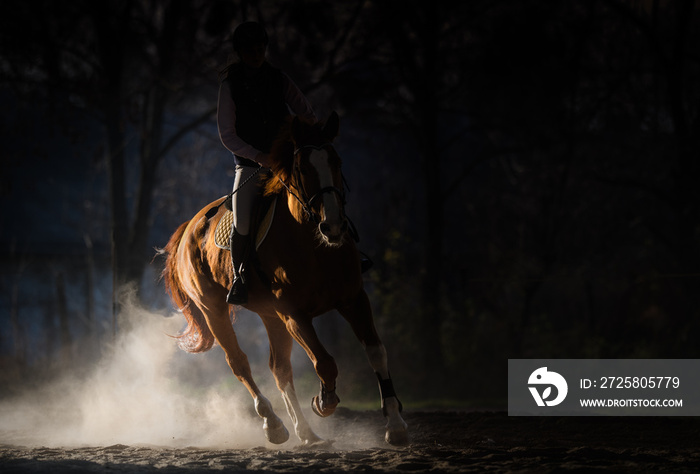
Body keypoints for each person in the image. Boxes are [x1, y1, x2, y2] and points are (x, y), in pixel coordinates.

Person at [217, 21, 317, 305]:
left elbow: (306, 113)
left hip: (287, 161)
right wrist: (259, 157)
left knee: (322, 193)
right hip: (251, 167)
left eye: (260, 48)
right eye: (250, 49)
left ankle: (348, 255)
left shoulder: (279, 78)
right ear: (240, 52)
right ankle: (239, 277)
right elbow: (227, 135)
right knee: (243, 222)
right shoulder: (230, 86)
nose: (256, 54)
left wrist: (307, 136)